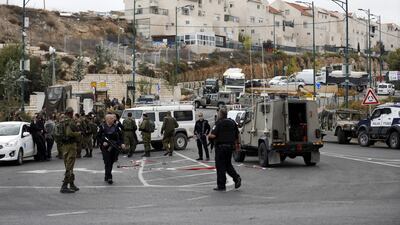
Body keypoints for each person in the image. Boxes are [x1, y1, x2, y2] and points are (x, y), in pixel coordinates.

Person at [208, 107, 241, 191]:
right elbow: (237, 135)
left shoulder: (219, 123)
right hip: (230, 147)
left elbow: (213, 135)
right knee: (228, 165)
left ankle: (221, 185)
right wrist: (238, 145)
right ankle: (236, 178)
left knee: (220, 166)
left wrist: (208, 136)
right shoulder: (232, 122)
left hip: (220, 147)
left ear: (220, 114)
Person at [98, 113, 125, 184]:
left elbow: (120, 136)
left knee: (112, 161)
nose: (113, 119)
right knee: (107, 162)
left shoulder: (116, 127)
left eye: (113, 118)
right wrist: (102, 142)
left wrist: (122, 143)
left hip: (114, 146)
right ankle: (109, 177)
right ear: (107, 119)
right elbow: (97, 137)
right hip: (105, 147)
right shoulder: (102, 127)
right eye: (111, 118)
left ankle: (107, 175)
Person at [60, 107, 81, 193]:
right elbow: (69, 133)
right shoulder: (70, 122)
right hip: (71, 146)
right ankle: (64, 186)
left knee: (68, 165)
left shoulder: (61, 121)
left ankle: (71, 184)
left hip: (64, 146)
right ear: (71, 113)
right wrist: (78, 133)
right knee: (69, 166)